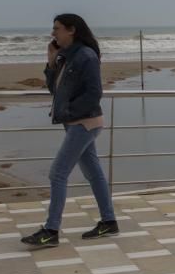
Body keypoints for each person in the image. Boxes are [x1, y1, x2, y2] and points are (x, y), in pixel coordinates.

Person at [21, 14, 118, 247]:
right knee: (94, 173)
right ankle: (109, 222)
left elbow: (94, 93)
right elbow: (53, 88)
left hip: (83, 123)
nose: (53, 33)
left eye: (57, 28)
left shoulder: (85, 55)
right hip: (77, 122)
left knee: (57, 173)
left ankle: (51, 231)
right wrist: (51, 61)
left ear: (71, 30)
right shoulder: (66, 56)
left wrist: (70, 113)